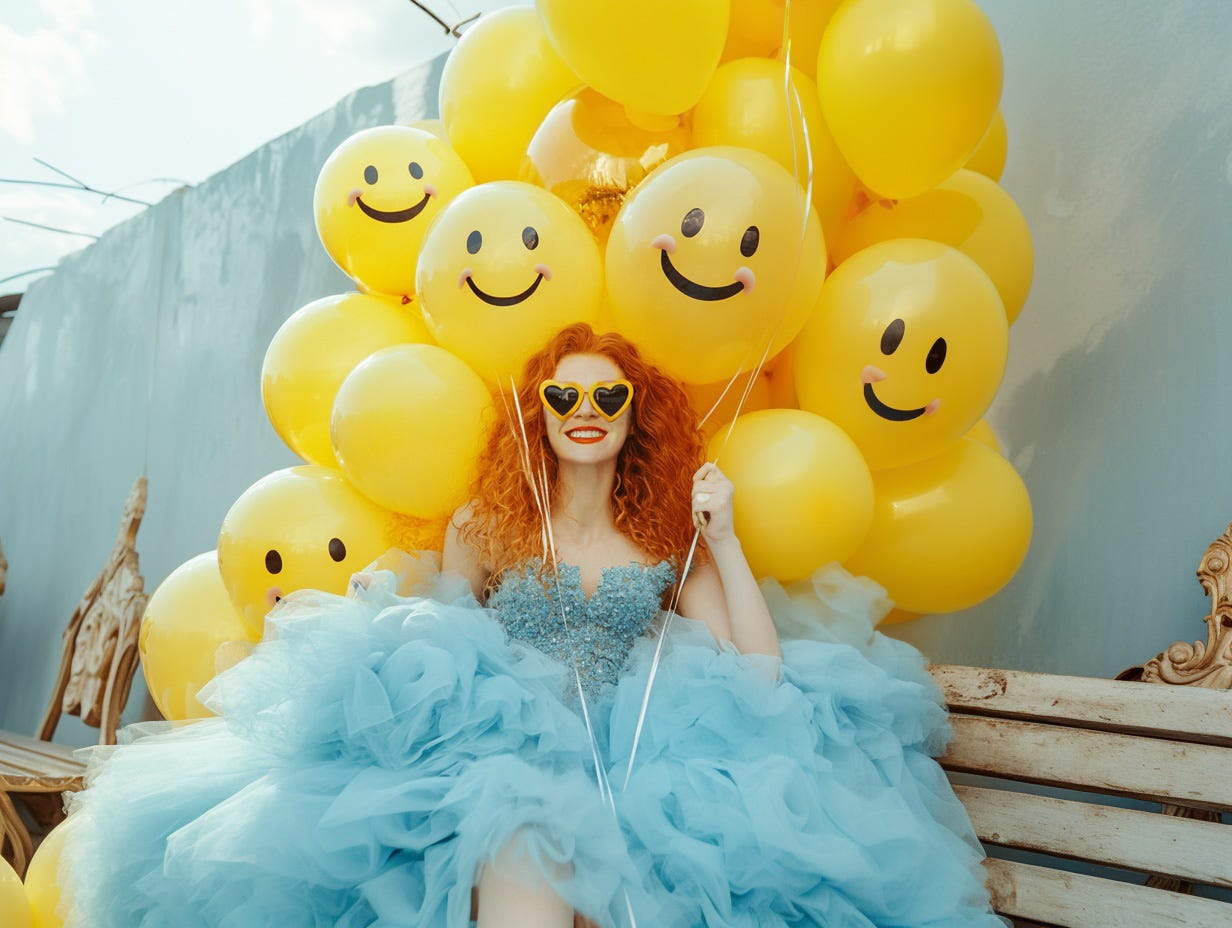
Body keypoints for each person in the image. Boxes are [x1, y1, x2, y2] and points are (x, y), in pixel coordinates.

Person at [59, 324, 1001, 927]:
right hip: (503, 759)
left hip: (638, 767)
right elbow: (436, 645)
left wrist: (722, 538)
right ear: (536, 416)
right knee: (518, 838)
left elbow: (757, 674)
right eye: (563, 396)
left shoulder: (668, 539)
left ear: (638, 417)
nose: (584, 412)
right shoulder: (485, 527)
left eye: (606, 397)